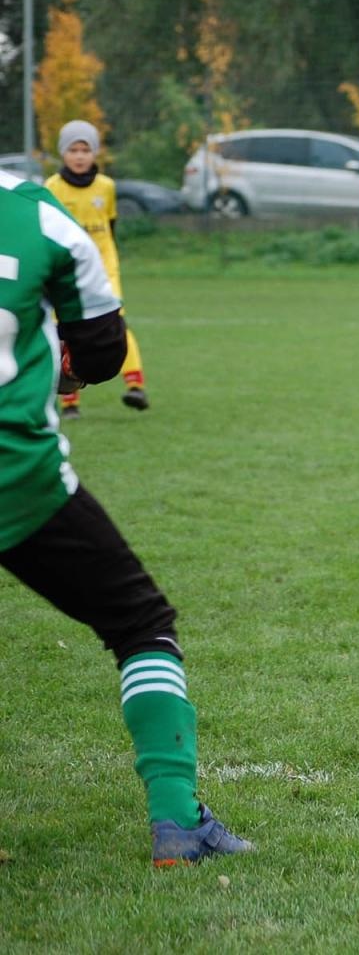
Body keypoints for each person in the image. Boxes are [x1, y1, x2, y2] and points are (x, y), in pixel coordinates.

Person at [0, 168, 251, 865]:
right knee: (139, 624)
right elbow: (105, 348)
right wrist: (66, 372)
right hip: (16, 479)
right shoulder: (32, 211)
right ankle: (177, 824)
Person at [44, 120, 149, 417]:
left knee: (115, 323)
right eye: (73, 150)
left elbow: (109, 227)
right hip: (65, 270)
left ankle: (135, 385)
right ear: (63, 153)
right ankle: (69, 399)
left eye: (85, 149)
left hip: (104, 269)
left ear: (95, 154)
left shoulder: (107, 186)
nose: (79, 156)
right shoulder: (52, 187)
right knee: (65, 329)